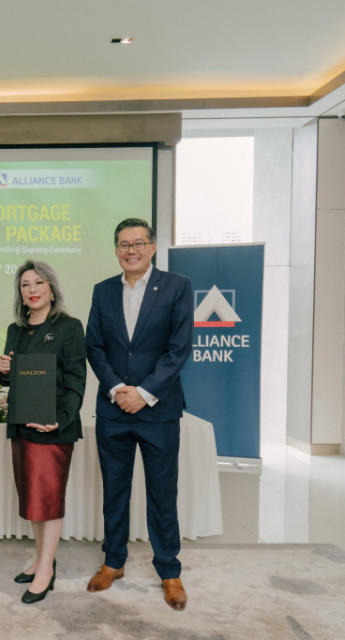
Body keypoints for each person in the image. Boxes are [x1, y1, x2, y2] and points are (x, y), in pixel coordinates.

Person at [85, 218, 193, 611]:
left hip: (158, 410)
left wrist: (144, 393)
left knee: (163, 494)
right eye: (123, 244)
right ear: (116, 250)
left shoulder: (177, 286)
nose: (131, 250)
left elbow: (178, 349)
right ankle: (113, 561)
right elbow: (94, 347)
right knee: (115, 491)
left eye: (138, 243)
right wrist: (117, 390)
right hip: (113, 409)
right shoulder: (102, 291)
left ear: (152, 247)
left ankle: (169, 570)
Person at [0, 260, 86, 604]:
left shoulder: (69, 327)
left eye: (39, 283)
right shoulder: (15, 329)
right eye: (25, 285)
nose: (31, 290)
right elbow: (10, 380)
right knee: (32, 499)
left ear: (52, 288)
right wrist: (4, 370)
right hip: (22, 425)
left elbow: (77, 380)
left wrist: (61, 419)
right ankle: (40, 558)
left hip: (53, 428)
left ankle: (46, 569)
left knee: (49, 500)